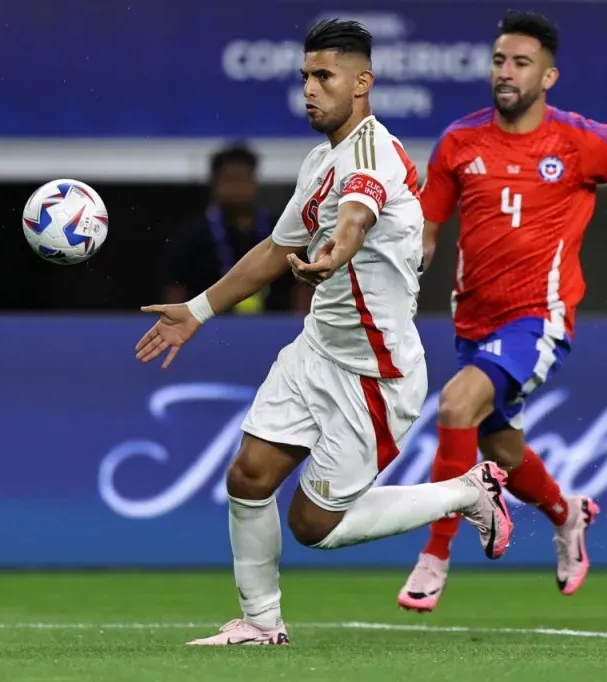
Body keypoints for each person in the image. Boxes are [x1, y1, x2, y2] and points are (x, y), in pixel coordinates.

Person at [134, 19, 513, 646]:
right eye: (305, 76)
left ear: (362, 83)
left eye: (323, 77)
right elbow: (277, 248)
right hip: (317, 350)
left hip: (375, 374)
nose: (309, 89)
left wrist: (339, 248)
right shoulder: (321, 160)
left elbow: (356, 214)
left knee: (313, 526)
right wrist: (197, 311)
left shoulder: (374, 156)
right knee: (248, 478)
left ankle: (466, 490)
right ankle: (260, 622)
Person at [397, 11, 607, 612]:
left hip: (541, 318)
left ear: (549, 76)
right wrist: (411, 260)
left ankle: (435, 555)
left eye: (521, 63)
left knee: (456, 404)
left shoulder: (582, 141)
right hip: (473, 322)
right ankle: (568, 515)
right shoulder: (459, 142)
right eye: (499, 61)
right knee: (500, 450)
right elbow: (428, 226)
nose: (506, 73)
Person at [162, 144, 300, 313]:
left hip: (275, 324)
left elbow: (302, 285)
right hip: (210, 326)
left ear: (254, 182)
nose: (237, 188)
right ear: (214, 183)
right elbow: (176, 290)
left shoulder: (279, 226)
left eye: (243, 179)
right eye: (230, 180)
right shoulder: (192, 235)